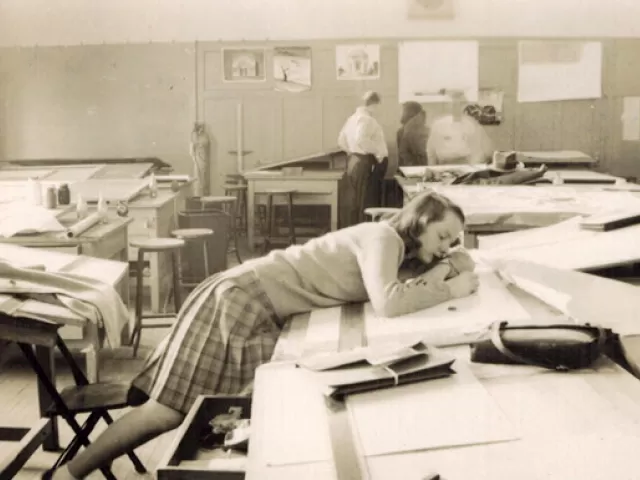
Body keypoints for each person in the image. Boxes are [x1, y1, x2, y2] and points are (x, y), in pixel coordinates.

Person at [47, 191, 479, 480]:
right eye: (442, 236)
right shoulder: (384, 236)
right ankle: (69, 475)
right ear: (419, 221)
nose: (445, 247)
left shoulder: (399, 246)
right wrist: (451, 283)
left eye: (452, 241)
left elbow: (431, 278)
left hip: (254, 302)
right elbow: (389, 302)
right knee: (169, 413)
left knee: (258, 399)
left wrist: (446, 265)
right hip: (240, 298)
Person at [338, 90, 388, 226]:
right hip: (367, 162)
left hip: (354, 161)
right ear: (375, 104)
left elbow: (341, 141)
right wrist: (377, 153)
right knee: (367, 200)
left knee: (357, 201)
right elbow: (361, 140)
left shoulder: (352, 118)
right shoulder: (367, 119)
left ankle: (356, 230)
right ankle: (365, 230)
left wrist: (353, 152)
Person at [426, 90, 494, 166]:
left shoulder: (471, 125)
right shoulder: (438, 124)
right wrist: (432, 168)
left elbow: (477, 151)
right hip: (443, 165)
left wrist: (471, 168)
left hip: (465, 164)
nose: (456, 108)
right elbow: (431, 151)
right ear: (448, 106)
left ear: (464, 106)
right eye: (454, 104)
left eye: (460, 105)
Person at [397, 101, 428, 166]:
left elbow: (402, 153)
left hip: (413, 166)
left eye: (405, 110)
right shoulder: (426, 129)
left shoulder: (402, 131)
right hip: (415, 165)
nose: (403, 113)